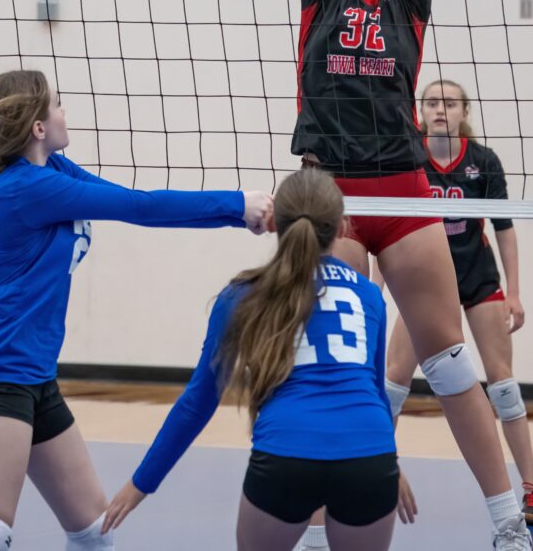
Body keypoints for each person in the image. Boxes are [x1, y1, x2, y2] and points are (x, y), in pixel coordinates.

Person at [268, 0, 530, 548]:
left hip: (402, 185)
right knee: (337, 358)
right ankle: (326, 496)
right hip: (328, 193)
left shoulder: (409, 2)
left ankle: (508, 519)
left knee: (449, 361)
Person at [0, 69, 272, 551]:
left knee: (94, 533)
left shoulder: (54, 171)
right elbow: (140, 207)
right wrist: (239, 204)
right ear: (37, 127)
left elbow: (137, 206)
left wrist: (240, 217)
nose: (64, 112)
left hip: (33, 377)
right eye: (57, 104)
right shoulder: (27, 188)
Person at [100, 167, 398, 551]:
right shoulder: (369, 296)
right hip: (370, 458)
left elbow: (197, 403)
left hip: (285, 456)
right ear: (343, 227)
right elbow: (374, 395)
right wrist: (391, 465)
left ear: (273, 223)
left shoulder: (241, 295)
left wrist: (139, 485)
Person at [384, 79, 533, 526]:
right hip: (423, 281)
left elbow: (504, 228)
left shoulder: (482, 161)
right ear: (421, 112)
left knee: (503, 387)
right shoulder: (408, 155)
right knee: (392, 383)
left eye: (450, 103)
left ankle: (532, 491)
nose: (441, 109)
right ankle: (372, 471)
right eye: (432, 102)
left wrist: (513, 292)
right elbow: (385, 227)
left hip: (476, 278)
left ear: (464, 112)